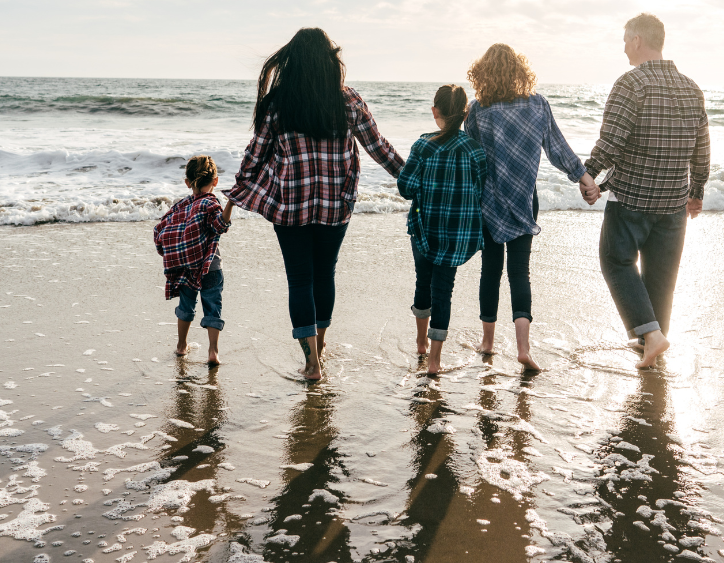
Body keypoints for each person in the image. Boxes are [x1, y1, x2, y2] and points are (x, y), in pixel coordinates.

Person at [227, 27, 404, 381]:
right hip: (336, 206)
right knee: (325, 274)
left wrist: (236, 192)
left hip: (290, 206)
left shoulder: (279, 104)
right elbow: (378, 147)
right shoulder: (348, 100)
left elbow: (255, 155)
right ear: (329, 60)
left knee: (300, 280)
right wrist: (411, 177)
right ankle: (320, 348)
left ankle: (311, 364)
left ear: (293, 61)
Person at [583, 13, 710, 369]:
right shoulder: (691, 87)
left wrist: (590, 174)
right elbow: (702, 146)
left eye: (626, 40)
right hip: (673, 201)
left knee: (616, 261)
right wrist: (697, 189)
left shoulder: (631, 83)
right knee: (661, 277)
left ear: (638, 40)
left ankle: (650, 337)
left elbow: (612, 139)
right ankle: (651, 348)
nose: (624, 47)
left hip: (632, 198)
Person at [464, 43, 599, 371]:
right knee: (519, 272)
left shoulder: (478, 110)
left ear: (484, 74)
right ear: (520, 71)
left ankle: (488, 343)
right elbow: (557, 148)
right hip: (525, 200)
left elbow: (471, 156)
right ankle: (523, 349)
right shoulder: (537, 105)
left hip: (489, 203)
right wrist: (583, 176)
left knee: (491, 271)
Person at [397, 84, 487, 376]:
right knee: (443, 292)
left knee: (423, 283)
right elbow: (481, 190)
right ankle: (435, 361)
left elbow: (406, 188)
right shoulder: (474, 150)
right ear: (465, 113)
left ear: (434, 111)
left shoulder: (423, 145)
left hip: (424, 230)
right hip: (457, 235)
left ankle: (421, 342)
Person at [154, 155, 235, 366]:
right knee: (213, 306)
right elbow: (220, 225)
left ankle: (181, 346)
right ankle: (213, 351)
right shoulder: (211, 202)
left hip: (185, 267)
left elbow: (161, 229)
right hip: (210, 266)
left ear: (187, 183)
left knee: (186, 305)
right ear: (215, 181)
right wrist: (231, 203)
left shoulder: (180, 206)